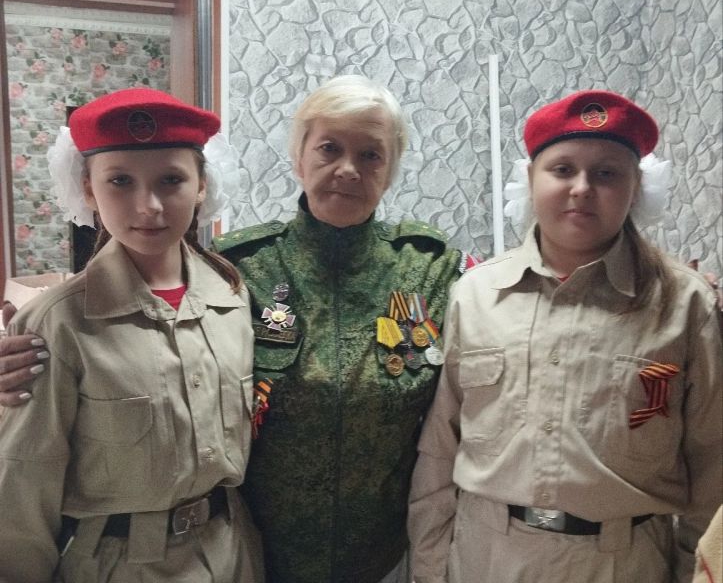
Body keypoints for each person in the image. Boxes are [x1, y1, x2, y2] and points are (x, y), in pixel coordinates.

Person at [0, 75, 472, 583]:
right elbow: (25, 474)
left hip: (360, 555)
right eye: (329, 148)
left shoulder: (430, 269)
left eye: (371, 155)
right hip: (256, 553)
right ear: (298, 157)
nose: (347, 169)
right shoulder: (242, 270)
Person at [408, 90, 722, 583]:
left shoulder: (684, 303)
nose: (582, 188)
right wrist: (429, 569)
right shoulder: (476, 293)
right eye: (562, 169)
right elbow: (440, 449)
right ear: (530, 180)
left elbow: (712, 461)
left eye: (607, 173)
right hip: (488, 556)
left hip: (625, 564)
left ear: (636, 188)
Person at [0, 89, 263, 583]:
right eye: (120, 181)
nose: (149, 205)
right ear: (89, 189)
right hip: (117, 565)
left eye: (171, 179)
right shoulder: (58, 322)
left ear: (201, 185)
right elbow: (23, 483)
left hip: (231, 555)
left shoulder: (232, 300)